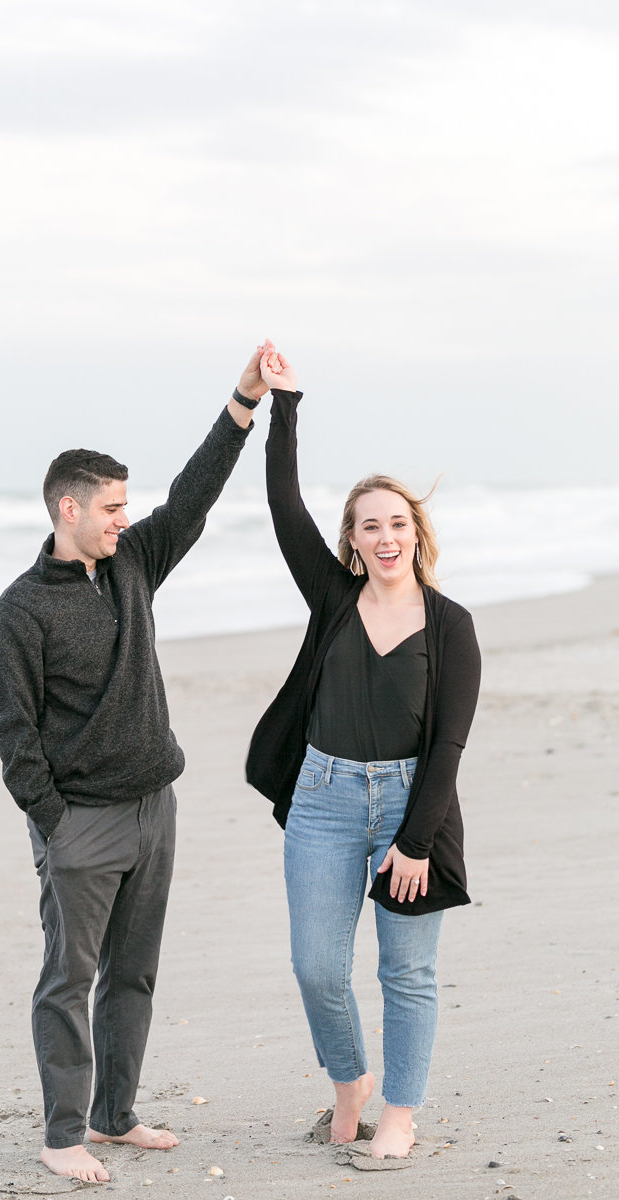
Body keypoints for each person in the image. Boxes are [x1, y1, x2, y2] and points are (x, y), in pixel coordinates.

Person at [0, 346, 270, 1183]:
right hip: (82, 825)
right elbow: (13, 735)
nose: (122, 518)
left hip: (155, 807)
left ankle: (114, 1117)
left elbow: (194, 496)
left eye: (124, 507)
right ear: (66, 508)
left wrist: (241, 402)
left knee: (133, 974)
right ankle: (63, 1133)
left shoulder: (134, 563)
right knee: (68, 981)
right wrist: (56, 824)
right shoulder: (18, 614)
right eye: (110, 507)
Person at [246, 348, 481, 1160]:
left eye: (398, 522)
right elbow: (282, 504)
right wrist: (284, 403)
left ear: (417, 534)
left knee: (406, 975)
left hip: (415, 806)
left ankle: (401, 1114)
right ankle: (350, 1083)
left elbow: (449, 741)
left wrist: (415, 840)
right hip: (324, 797)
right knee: (316, 966)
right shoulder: (333, 599)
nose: (386, 536)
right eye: (369, 523)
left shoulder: (451, 626)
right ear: (352, 538)